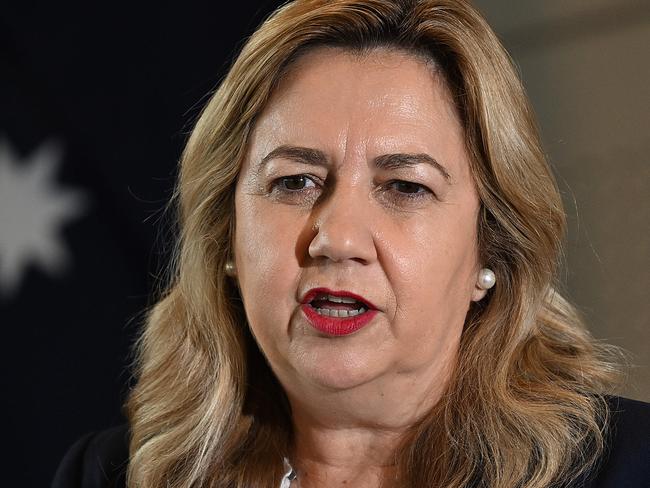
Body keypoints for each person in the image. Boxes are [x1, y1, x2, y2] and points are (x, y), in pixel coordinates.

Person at [53, 0, 650, 487]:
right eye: (294, 182)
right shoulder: (109, 474)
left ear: (489, 252)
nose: (336, 238)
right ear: (226, 236)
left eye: (404, 187)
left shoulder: (628, 466)